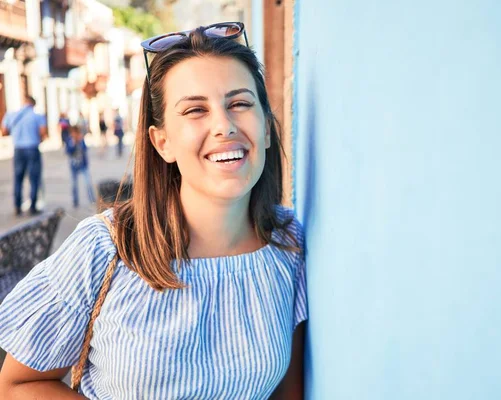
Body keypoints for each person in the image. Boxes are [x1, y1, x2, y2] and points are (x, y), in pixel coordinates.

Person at [0, 22, 307, 399]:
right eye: (195, 110)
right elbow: (18, 385)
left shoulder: (288, 245)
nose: (224, 126)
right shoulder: (106, 248)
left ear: (267, 127)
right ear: (162, 142)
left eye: (240, 103)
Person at [0, 96, 48, 216]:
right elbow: (43, 133)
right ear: (33, 104)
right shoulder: (36, 116)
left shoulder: (12, 115)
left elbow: (4, 131)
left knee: (18, 178)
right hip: (32, 148)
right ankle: (32, 206)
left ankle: (17, 206)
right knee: (34, 178)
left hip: (18, 149)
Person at [65, 125, 96, 208]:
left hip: (83, 165)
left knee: (88, 182)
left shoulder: (81, 140)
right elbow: (68, 151)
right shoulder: (69, 140)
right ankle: (75, 201)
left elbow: (85, 149)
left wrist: (79, 141)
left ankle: (92, 199)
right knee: (74, 184)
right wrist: (74, 144)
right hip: (74, 165)